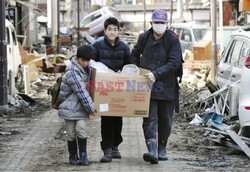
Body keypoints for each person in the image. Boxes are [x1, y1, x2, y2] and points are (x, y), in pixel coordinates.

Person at [130, 9, 182, 164]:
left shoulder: (173, 40)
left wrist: (156, 74)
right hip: (147, 85)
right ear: (151, 23)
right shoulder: (143, 37)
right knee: (150, 119)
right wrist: (133, 68)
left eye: (162, 23)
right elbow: (134, 54)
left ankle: (162, 148)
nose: (159, 26)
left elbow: (174, 62)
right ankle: (151, 149)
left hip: (167, 85)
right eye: (156, 23)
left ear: (167, 24)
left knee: (165, 120)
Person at [92, 17, 130, 163]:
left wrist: (123, 71)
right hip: (104, 88)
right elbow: (92, 63)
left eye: (115, 29)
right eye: (109, 29)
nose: (112, 32)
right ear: (105, 30)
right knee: (106, 117)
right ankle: (106, 150)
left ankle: (115, 146)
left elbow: (130, 64)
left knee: (118, 116)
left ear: (118, 31)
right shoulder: (98, 46)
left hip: (119, 87)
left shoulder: (124, 47)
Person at [58, 45, 97, 166]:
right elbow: (81, 91)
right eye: (83, 60)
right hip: (69, 107)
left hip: (80, 107)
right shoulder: (72, 72)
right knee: (70, 133)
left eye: (87, 60)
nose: (85, 63)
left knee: (81, 130)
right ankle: (73, 155)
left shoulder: (88, 69)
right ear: (77, 58)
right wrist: (91, 108)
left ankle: (84, 155)